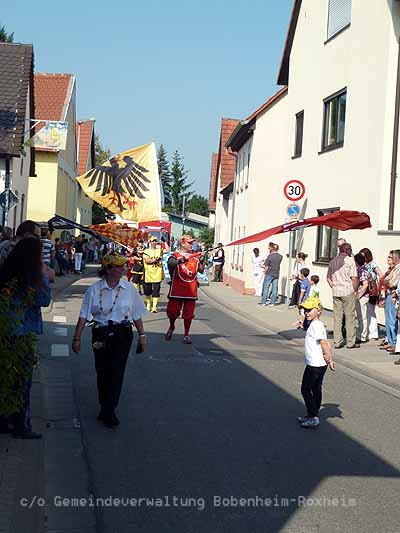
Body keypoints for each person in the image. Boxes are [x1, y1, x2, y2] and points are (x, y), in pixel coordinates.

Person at [72, 253, 147, 428]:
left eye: (123, 266)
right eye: (118, 266)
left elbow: (136, 314)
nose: (122, 269)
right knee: (102, 371)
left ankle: (109, 410)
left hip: (122, 333)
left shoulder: (129, 289)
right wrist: (77, 338)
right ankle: (105, 406)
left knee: (117, 371)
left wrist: (142, 336)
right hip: (101, 332)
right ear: (108, 269)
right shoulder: (94, 289)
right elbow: (84, 315)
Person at [0, 238, 52, 438]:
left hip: (6, 333)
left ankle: (4, 420)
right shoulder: (31, 277)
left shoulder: (6, 273)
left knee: (6, 379)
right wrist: (44, 275)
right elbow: (44, 300)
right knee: (22, 382)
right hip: (22, 334)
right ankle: (21, 425)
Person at [297, 297, 335, 429]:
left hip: (315, 364)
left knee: (305, 389)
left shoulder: (317, 326)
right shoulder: (315, 324)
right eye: (305, 310)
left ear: (318, 311)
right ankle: (312, 414)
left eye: (309, 310)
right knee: (315, 388)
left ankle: (313, 416)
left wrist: (329, 358)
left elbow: (324, 343)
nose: (306, 312)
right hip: (318, 363)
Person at [165, 235, 205, 344]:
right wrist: (182, 260)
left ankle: (186, 334)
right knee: (172, 312)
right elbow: (171, 264)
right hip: (177, 288)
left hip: (191, 289)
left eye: (192, 243)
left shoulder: (195, 256)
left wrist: (202, 260)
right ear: (182, 244)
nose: (192, 245)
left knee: (188, 314)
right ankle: (172, 326)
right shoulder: (174, 255)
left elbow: (201, 270)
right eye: (189, 243)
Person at [327, 242, 359, 349]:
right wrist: (355, 290)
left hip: (336, 292)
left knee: (337, 318)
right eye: (350, 249)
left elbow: (328, 277)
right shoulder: (350, 261)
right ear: (347, 250)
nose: (351, 251)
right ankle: (350, 342)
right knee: (350, 317)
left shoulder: (332, 261)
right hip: (347, 291)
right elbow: (354, 277)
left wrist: (334, 286)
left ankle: (337, 341)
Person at [358, 248, 383, 341]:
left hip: (371, 290)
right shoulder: (362, 265)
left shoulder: (372, 264)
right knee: (365, 312)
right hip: (364, 290)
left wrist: (378, 287)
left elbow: (381, 275)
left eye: (363, 256)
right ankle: (366, 332)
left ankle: (373, 333)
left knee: (371, 311)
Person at [381, 249, 400, 353]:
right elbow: (384, 280)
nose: (388, 259)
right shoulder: (393, 269)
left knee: (392, 320)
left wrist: (387, 282)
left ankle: (394, 342)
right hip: (388, 294)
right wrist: (386, 282)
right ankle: (390, 341)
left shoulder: (398, 269)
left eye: (391, 257)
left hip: (393, 296)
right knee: (388, 320)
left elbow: (392, 283)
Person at [143, 236, 164, 312]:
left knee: (156, 291)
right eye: (152, 241)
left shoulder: (160, 250)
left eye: (155, 241)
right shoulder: (146, 251)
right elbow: (147, 261)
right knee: (147, 291)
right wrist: (155, 259)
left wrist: (164, 241)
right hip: (148, 273)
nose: (154, 242)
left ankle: (154, 307)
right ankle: (148, 305)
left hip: (157, 273)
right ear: (150, 242)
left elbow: (168, 249)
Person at [354, 253, 370, 344]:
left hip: (362, 297)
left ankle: (362, 336)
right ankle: (360, 335)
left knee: (362, 317)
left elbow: (365, 284)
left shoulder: (362, 270)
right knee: (360, 317)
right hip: (362, 296)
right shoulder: (362, 269)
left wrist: (359, 295)